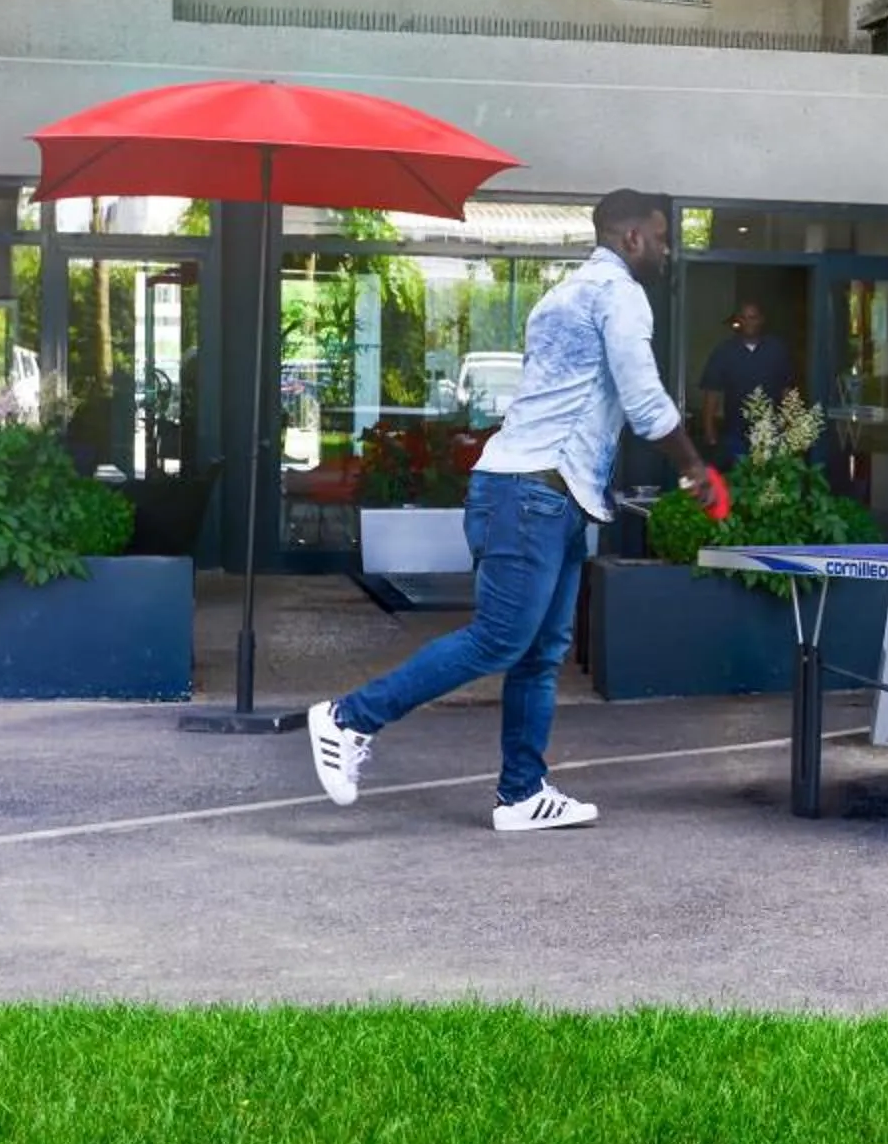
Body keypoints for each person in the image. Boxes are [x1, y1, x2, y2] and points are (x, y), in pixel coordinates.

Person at [307, 189, 719, 833]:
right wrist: (694, 466)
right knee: (500, 639)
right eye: (663, 237)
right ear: (632, 238)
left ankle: (522, 793)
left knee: (539, 651)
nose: (668, 250)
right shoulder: (620, 296)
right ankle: (348, 718)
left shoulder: (558, 297)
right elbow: (644, 402)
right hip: (534, 495)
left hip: (540, 493)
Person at [695, 301, 796, 467]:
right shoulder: (724, 351)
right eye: (744, 318)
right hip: (735, 433)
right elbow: (712, 392)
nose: (749, 322)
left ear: (761, 320)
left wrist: (787, 426)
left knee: (768, 484)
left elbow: (787, 390)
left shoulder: (777, 349)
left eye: (753, 317)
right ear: (738, 321)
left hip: (770, 432)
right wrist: (709, 431)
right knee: (738, 482)